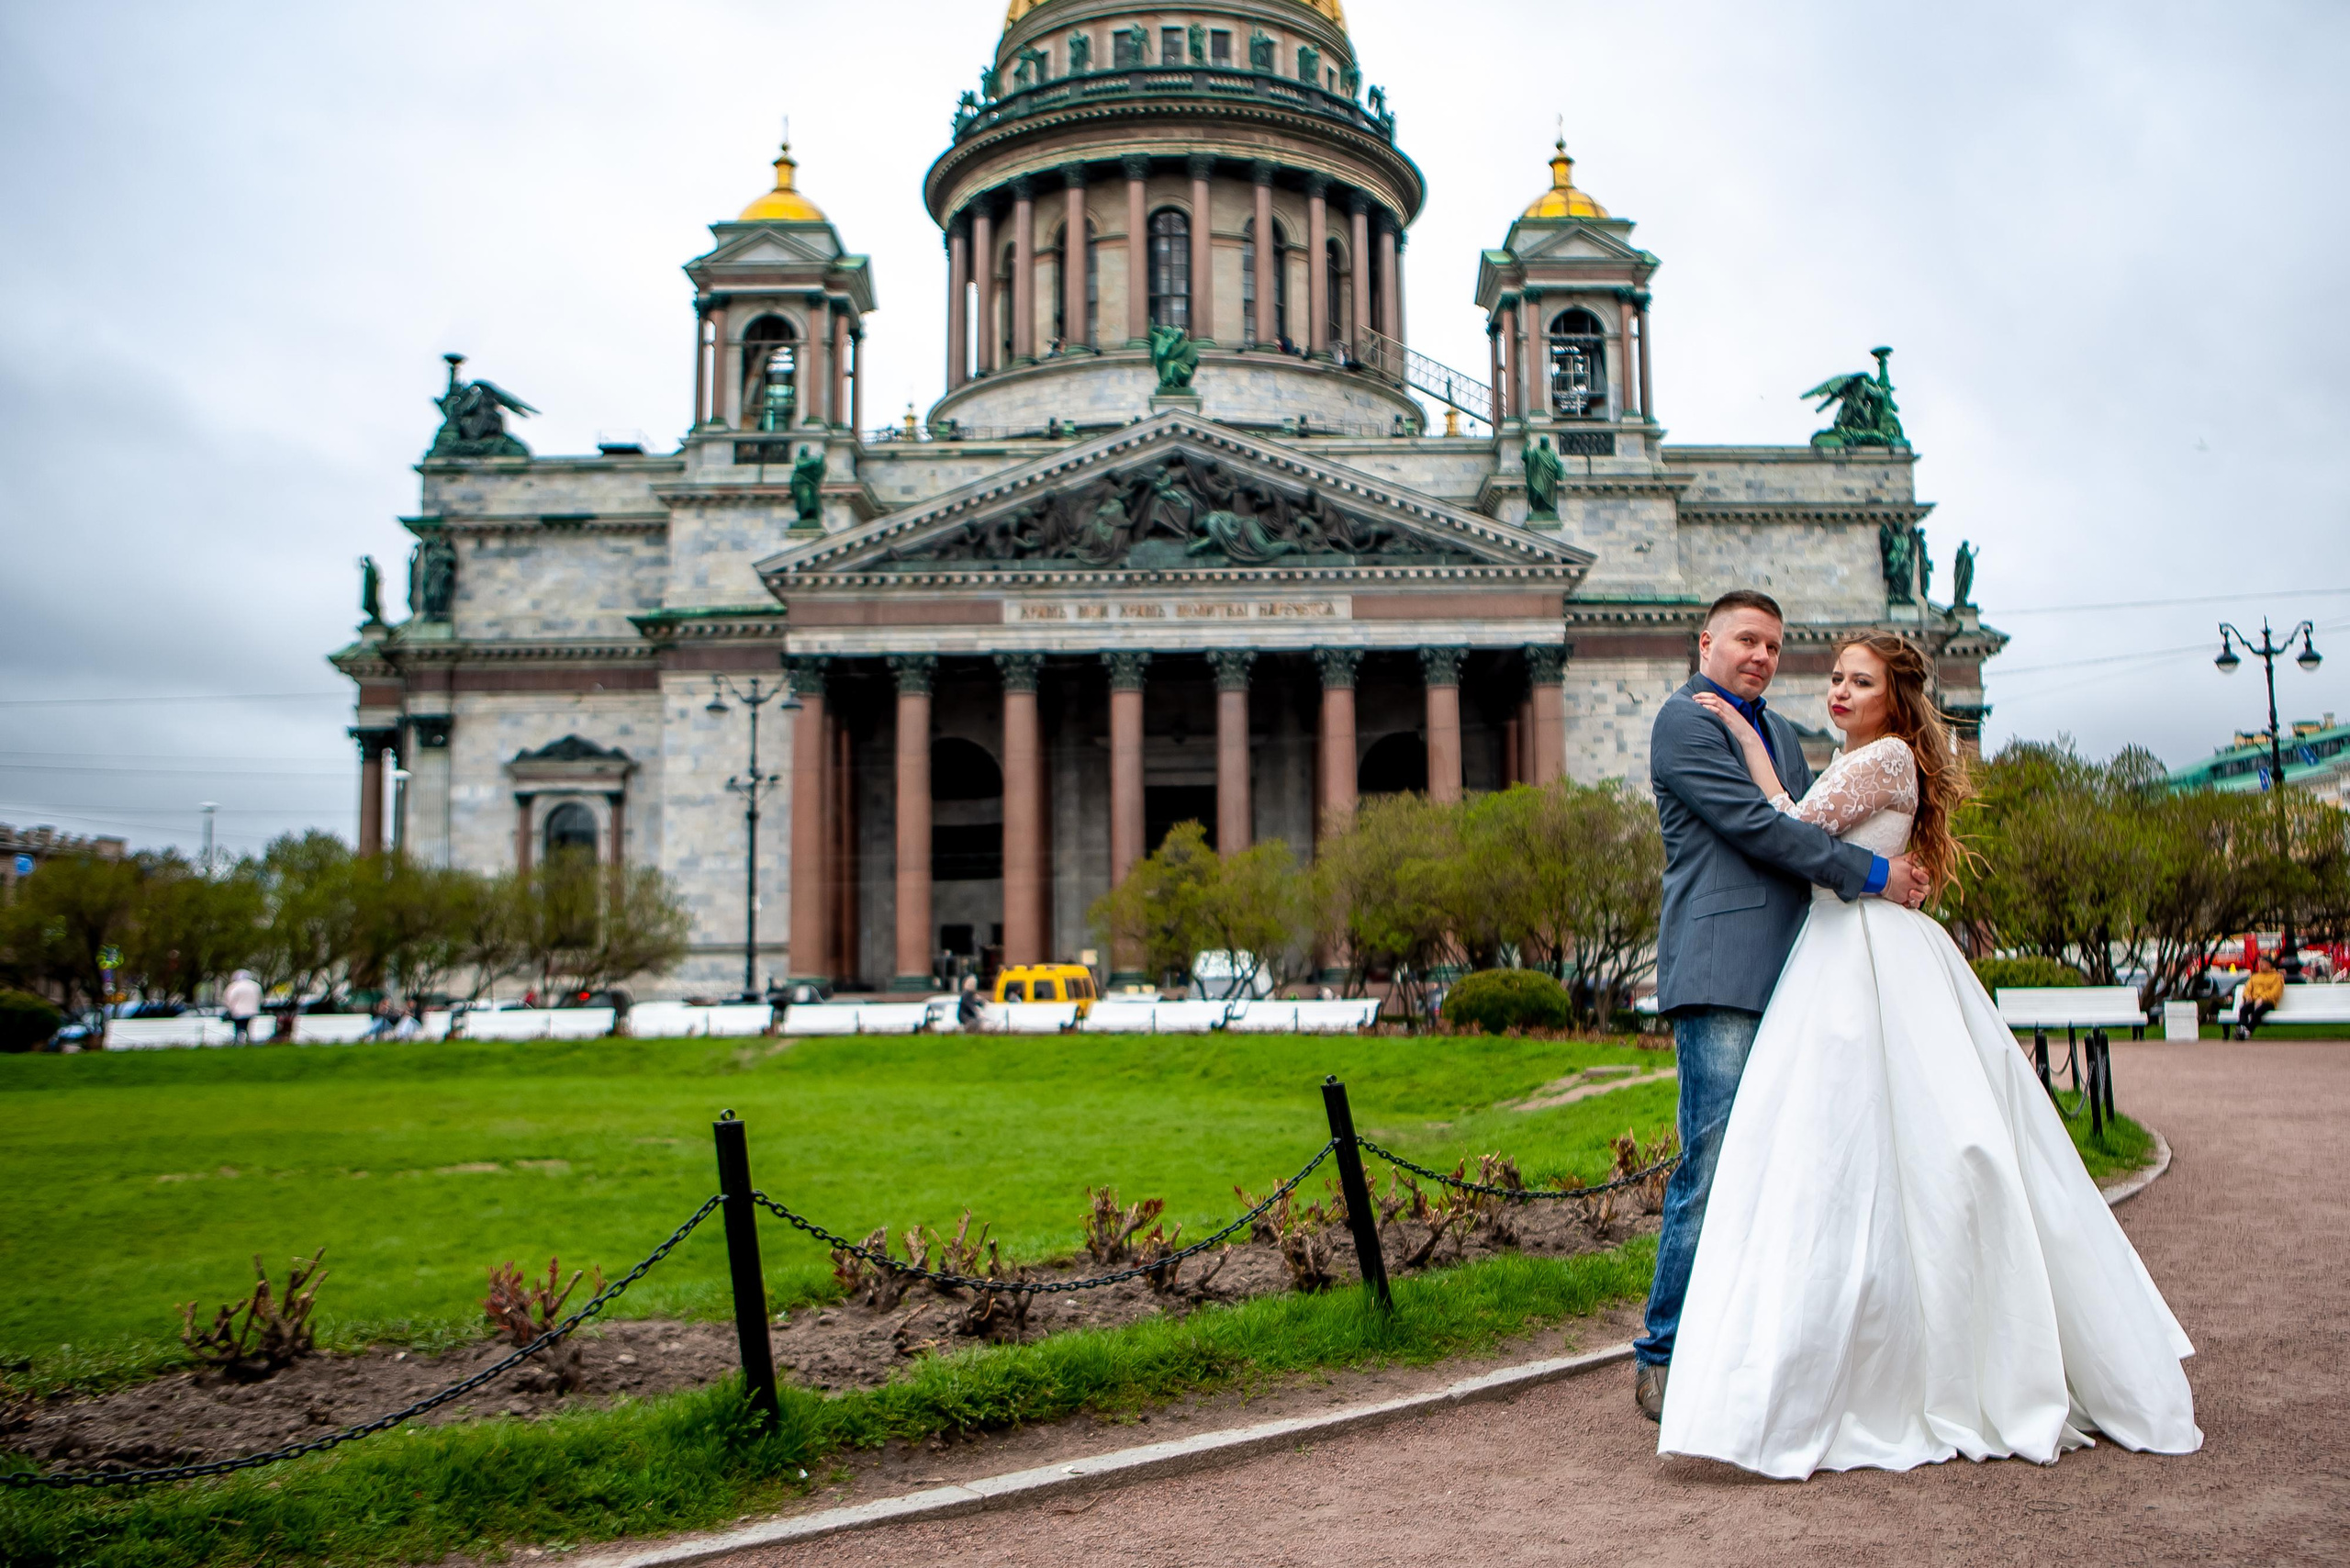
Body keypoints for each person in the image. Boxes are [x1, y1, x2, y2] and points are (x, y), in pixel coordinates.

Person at [1657, 629, 2200, 1478]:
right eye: (1834, 677)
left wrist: (1738, 732)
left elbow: (1788, 826)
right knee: (1871, 1156)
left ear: (1893, 697)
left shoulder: (1881, 761)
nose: (1838, 692)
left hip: (1863, 958)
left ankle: (1878, 1365)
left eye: (1859, 682)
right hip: (1848, 955)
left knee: (1887, 1154)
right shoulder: (1868, 760)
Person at [1636, 590, 1929, 1421]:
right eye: (1746, 641)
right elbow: (1763, 831)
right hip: (1725, 968)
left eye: (1774, 645)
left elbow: (1811, 829)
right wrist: (1877, 876)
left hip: (1799, 971)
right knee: (1714, 1164)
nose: (1762, 656)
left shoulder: (1782, 734)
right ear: (1707, 642)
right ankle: (1662, 1353)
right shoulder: (1686, 722)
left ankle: (1742, 1350)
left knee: (1783, 1168)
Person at [2236, 958, 2285, 1038]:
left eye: (2263, 962)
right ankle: (2242, 1029)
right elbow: (2247, 989)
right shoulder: (2255, 976)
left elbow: (2275, 993)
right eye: (2260, 962)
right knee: (2244, 1009)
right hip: (2254, 1001)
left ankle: (2247, 1031)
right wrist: (2247, 996)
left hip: (2268, 1002)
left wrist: (2262, 998)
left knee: (2259, 1011)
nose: (2260, 964)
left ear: (2269, 964)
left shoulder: (2277, 977)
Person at [222, 969, 263, 1045]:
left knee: (238, 1026)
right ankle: (247, 1040)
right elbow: (260, 999)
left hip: (238, 1011)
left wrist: (229, 1008)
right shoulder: (256, 986)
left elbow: (229, 999)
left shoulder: (234, 986)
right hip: (252, 1011)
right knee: (247, 1026)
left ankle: (238, 1041)